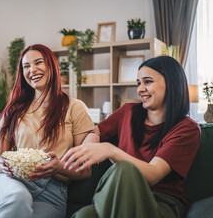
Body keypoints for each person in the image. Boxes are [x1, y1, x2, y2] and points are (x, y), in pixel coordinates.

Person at [61, 56, 201, 218]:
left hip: (160, 203)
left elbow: (153, 174)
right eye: (138, 83)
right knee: (83, 214)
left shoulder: (187, 129)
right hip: (116, 195)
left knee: (124, 169)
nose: (140, 89)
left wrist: (111, 151)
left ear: (171, 83)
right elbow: (97, 130)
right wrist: (93, 136)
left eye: (147, 82)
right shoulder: (127, 112)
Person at [0, 44, 95, 218]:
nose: (32, 70)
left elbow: (85, 170)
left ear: (52, 65)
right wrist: (4, 166)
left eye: (38, 62)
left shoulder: (75, 108)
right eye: (26, 66)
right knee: (17, 198)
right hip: (11, 182)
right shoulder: (14, 110)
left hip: (52, 192)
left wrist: (59, 167)